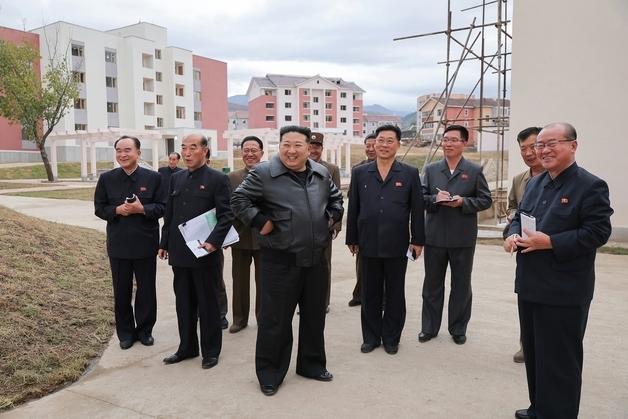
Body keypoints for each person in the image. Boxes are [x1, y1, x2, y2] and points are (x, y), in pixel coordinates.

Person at [504, 122, 613, 419]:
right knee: (537, 356)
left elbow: (598, 232)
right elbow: (519, 217)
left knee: (560, 362)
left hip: (564, 291)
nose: (544, 150)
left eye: (553, 143)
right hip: (529, 284)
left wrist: (551, 242)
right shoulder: (536, 182)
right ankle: (539, 408)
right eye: (540, 145)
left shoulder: (590, 186)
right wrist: (511, 235)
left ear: (573, 145)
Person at [231, 125, 343, 396]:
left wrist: (329, 219)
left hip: (316, 257)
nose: (291, 151)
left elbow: (336, 199)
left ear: (308, 148)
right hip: (280, 259)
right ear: (279, 146)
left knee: (315, 317)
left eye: (298, 145)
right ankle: (270, 372)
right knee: (275, 320)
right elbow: (239, 199)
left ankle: (312, 364)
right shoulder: (264, 173)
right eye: (286, 145)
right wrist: (261, 222)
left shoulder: (321, 172)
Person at [346, 124, 424, 355]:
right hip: (367, 243)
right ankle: (370, 337)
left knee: (394, 293)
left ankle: (391, 337)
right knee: (369, 293)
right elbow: (354, 208)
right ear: (374, 143)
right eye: (381, 140)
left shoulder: (409, 173)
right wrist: (352, 237)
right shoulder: (361, 173)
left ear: (398, 145)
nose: (384, 145)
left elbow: (417, 210)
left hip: (397, 244)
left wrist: (418, 240)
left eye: (390, 141)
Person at [159, 134, 234, 370]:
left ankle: (211, 351)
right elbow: (169, 214)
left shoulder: (218, 179)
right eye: (184, 148)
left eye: (193, 147)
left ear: (205, 151)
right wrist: (164, 243)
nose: (187, 152)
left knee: (208, 303)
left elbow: (226, 215)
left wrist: (213, 242)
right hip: (180, 252)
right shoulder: (176, 178)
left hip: (205, 253)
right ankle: (187, 348)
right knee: (184, 303)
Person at [419, 124, 492, 345]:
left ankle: (458, 328)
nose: (448, 143)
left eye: (453, 140)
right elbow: (420, 198)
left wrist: (463, 202)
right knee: (432, 285)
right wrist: (435, 199)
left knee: (461, 285)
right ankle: (429, 328)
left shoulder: (474, 170)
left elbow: (485, 199)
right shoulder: (431, 170)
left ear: (464, 143)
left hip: (462, 238)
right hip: (434, 236)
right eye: (445, 139)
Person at [94, 135, 166, 349]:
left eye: (127, 150)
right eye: (119, 150)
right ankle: (125, 333)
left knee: (146, 290)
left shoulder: (154, 178)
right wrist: (117, 210)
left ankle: (145, 331)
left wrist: (141, 208)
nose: (122, 154)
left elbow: (162, 207)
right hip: (118, 245)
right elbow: (99, 208)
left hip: (145, 243)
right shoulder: (107, 178)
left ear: (138, 153)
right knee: (121, 291)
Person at [506, 127, 544, 364]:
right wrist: (512, 220)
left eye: (533, 147)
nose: (529, 153)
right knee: (526, 299)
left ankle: (544, 348)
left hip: (550, 248)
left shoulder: (559, 179)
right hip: (525, 249)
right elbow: (512, 206)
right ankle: (526, 346)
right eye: (523, 149)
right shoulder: (520, 180)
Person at [227, 136, 264, 333]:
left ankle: (263, 317)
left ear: (261, 153)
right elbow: (226, 207)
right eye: (246, 150)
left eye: (254, 150)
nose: (250, 154)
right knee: (239, 281)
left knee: (264, 281)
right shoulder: (232, 177)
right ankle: (239, 319)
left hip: (264, 237)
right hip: (240, 236)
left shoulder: (269, 175)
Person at [308, 132, 341, 312]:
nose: (313, 150)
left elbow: (337, 200)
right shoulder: (298, 167)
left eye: (317, 147)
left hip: (323, 225)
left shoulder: (331, 169)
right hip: (302, 227)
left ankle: (323, 301)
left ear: (322, 148)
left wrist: (335, 225)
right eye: (311, 146)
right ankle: (306, 300)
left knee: (323, 265)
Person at [348, 133, 377, 307]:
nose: (371, 148)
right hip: (363, 223)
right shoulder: (358, 169)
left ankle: (381, 297)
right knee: (361, 263)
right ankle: (359, 294)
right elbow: (353, 198)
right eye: (368, 145)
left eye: (374, 145)